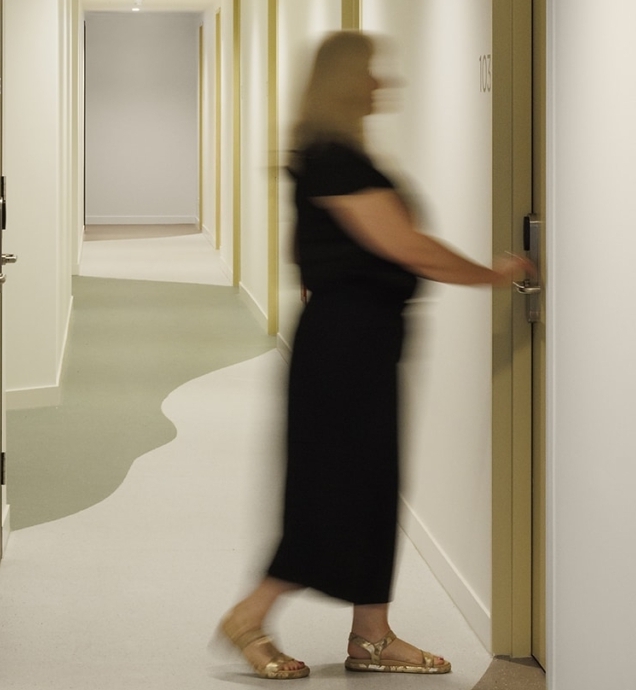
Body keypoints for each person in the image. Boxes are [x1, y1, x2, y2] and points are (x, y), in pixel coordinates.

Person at [217, 31, 537, 680]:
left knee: (369, 485)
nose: (380, 83)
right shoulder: (334, 158)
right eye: (369, 72)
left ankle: (371, 636)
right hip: (342, 352)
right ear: (343, 82)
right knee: (332, 489)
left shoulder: (328, 155)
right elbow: (407, 246)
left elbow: (309, 251)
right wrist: (496, 275)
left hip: (359, 344)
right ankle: (249, 615)